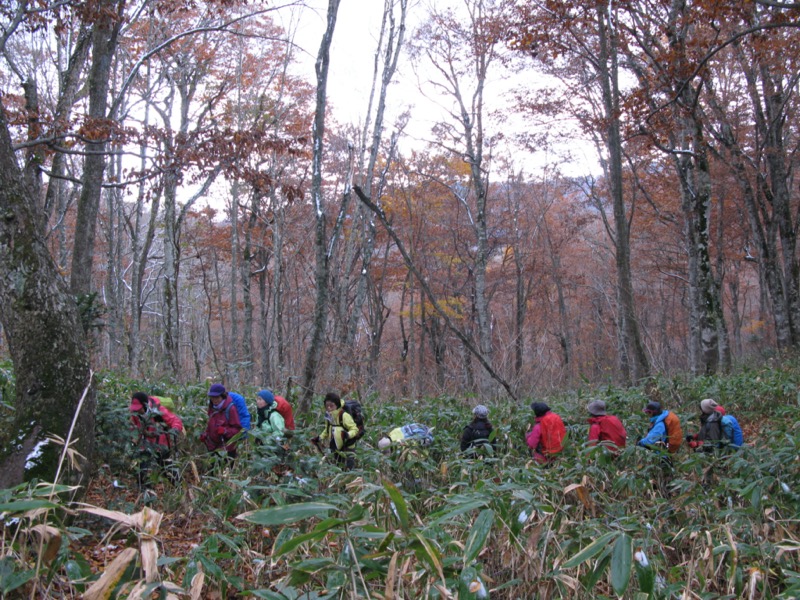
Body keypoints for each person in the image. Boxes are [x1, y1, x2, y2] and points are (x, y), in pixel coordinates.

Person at [129, 392, 183, 497]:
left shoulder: (159, 410)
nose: (137, 410)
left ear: (145, 405)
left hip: (161, 444)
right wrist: (133, 438)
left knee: (167, 469)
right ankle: (144, 495)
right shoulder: (134, 413)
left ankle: (180, 489)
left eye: (139, 407)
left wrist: (175, 430)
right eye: (135, 408)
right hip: (145, 445)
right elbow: (133, 426)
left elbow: (175, 420)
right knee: (142, 470)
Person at [312, 392, 360, 470]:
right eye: (327, 406)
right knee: (338, 468)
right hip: (335, 447)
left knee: (348, 470)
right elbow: (327, 429)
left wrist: (348, 435)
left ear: (337, 405)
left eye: (332, 406)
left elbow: (354, 429)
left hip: (348, 447)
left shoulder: (344, 415)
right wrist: (319, 438)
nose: (329, 408)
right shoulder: (328, 416)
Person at [200, 384, 243, 459]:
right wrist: (206, 435)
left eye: (217, 397)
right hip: (213, 448)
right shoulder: (212, 408)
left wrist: (225, 431)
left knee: (225, 469)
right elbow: (211, 425)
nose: (214, 400)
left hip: (227, 449)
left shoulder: (231, 409)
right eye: (212, 397)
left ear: (222, 396)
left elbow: (238, 430)